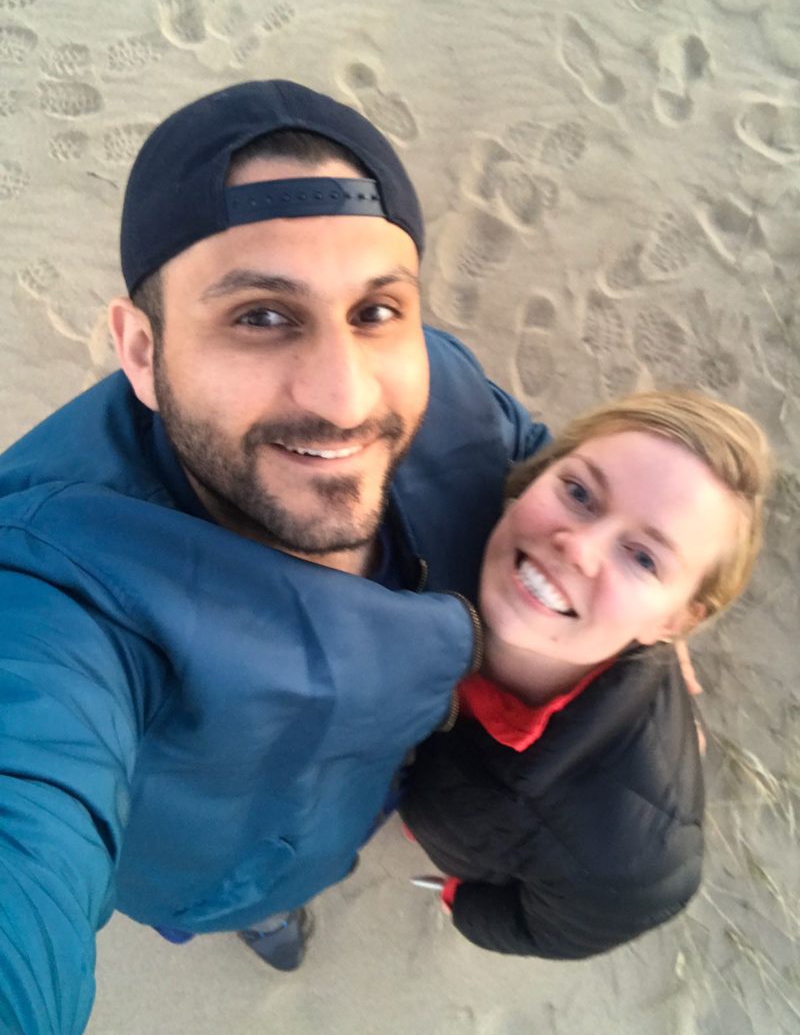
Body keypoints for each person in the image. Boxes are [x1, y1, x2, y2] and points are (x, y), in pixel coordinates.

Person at [0, 80, 549, 1033]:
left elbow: (536, 461)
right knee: (253, 900)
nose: (343, 396)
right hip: (218, 862)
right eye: (261, 315)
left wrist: (644, 639)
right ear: (140, 350)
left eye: (378, 310)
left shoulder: (446, 386)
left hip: (383, 783)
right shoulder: (59, 577)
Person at [400, 390, 772, 958]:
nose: (578, 549)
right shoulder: (431, 527)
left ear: (675, 620)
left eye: (644, 558)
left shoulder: (636, 866)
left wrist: (461, 903)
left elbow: (548, 930)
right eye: (578, 492)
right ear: (537, 477)